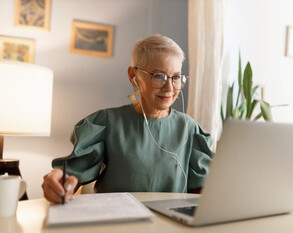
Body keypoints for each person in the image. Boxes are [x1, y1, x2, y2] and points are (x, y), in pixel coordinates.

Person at [42, 34, 213, 204]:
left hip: (170, 226)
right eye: (158, 76)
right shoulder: (107, 122)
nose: (169, 88)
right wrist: (57, 178)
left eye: (176, 77)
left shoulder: (190, 129)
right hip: (117, 222)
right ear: (133, 76)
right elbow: (73, 174)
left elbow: (201, 190)